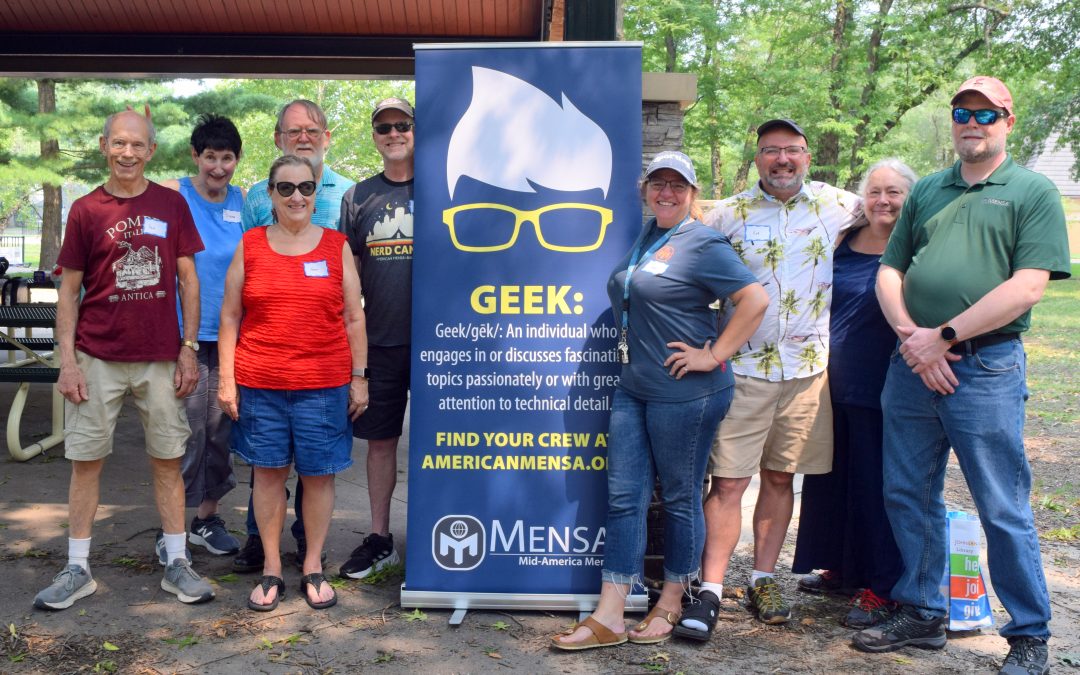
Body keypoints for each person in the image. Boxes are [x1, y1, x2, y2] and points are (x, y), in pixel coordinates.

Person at [852, 76, 1070, 675]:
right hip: (913, 364)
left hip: (985, 367)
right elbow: (889, 271)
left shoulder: (1031, 191)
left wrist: (944, 337)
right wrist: (912, 340)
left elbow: (1028, 287)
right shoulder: (927, 190)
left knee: (1002, 505)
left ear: (1008, 120)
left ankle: (1029, 634)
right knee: (908, 491)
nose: (972, 122)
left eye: (985, 113)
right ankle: (921, 611)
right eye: (961, 112)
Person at [551, 151, 767, 650]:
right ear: (644, 188)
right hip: (634, 388)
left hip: (686, 394)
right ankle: (608, 613)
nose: (666, 192)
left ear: (692, 193)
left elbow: (754, 300)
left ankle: (672, 602)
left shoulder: (703, 241)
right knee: (625, 498)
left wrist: (713, 354)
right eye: (657, 183)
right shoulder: (650, 235)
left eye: (677, 185)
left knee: (679, 496)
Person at [34, 109, 215, 610]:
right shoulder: (86, 210)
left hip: (160, 357)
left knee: (167, 460)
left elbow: (188, 279)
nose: (128, 153)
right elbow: (68, 292)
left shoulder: (172, 203)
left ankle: (177, 562)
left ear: (152, 150)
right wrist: (67, 362)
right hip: (97, 356)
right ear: (104, 145)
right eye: (119, 143)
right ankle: (76, 569)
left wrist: (189, 348)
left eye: (137, 145)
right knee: (85, 461)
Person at [687, 119, 862, 635]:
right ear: (758, 158)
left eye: (792, 150)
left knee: (782, 477)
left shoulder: (838, 205)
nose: (782, 159)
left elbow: (895, 206)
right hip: (742, 371)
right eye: (771, 151)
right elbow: (685, 266)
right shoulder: (728, 214)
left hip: (807, 373)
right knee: (729, 482)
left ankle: (764, 578)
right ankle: (712, 588)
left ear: (807, 157)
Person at [218, 155, 369, 611]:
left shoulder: (336, 245)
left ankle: (312, 566)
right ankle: (269, 567)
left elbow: (354, 317)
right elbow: (229, 315)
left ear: (316, 190)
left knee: (319, 478)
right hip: (260, 383)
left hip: (324, 386)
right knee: (267, 475)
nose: (297, 196)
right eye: (286, 189)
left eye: (306, 187)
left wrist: (359, 378)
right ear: (271, 195)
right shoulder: (252, 243)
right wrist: (227, 379)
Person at [791, 158, 917, 628]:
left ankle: (882, 587)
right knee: (831, 480)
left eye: (894, 192)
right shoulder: (844, 239)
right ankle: (840, 568)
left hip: (884, 384)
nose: (883, 201)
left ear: (911, 197)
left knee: (876, 487)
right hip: (829, 382)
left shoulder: (916, 245)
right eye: (875, 191)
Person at [234, 99, 356, 573]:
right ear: (279, 140)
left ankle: (310, 548)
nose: (302, 137)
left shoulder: (348, 193)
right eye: (292, 131)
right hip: (266, 356)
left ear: (326, 137)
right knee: (267, 461)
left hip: (322, 351)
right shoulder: (253, 200)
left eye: (311, 130)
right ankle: (257, 543)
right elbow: (245, 276)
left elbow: (353, 277)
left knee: (316, 461)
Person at [159, 113, 246, 561]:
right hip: (182, 337)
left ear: (236, 160)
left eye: (226, 157)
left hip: (231, 335)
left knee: (219, 431)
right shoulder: (173, 195)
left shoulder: (245, 203)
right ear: (195, 156)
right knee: (182, 431)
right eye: (209, 156)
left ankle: (205, 520)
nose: (217, 167)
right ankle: (170, 526)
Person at [337, 96, 415, 579]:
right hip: (381, 343)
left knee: (438, 443)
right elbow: (349, 281)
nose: (393, 133)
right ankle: (380, 537)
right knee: (380, 443)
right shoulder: (359, 197)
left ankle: (432, 535)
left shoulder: (446, 189)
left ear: (415, 129)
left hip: (440, 343)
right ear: (374, 136)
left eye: (401, 124)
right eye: (383, 126)